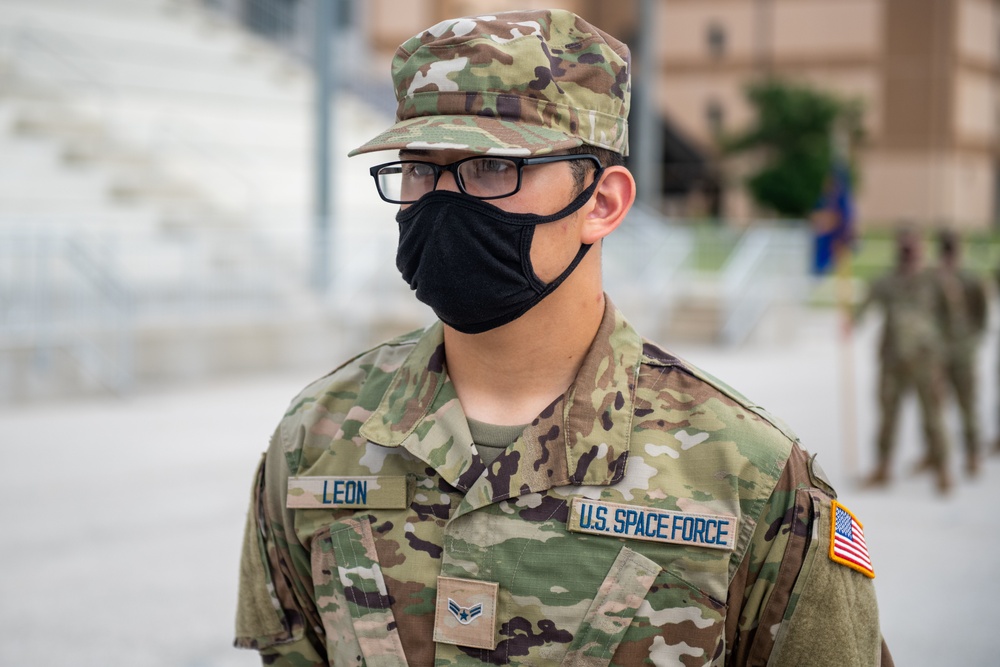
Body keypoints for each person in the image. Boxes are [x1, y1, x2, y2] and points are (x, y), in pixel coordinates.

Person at [235, 10, 892, 666]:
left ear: (602, 203)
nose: (439, 200)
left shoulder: (749, 477)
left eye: (492, 168)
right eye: (417, 169)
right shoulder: (314, 442)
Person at [852, 227, 951, 493]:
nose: (908, 253)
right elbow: (865, 305)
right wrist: (851, 319)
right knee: (887, 417)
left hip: (926, 359)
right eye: (903, 248)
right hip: (892, 359)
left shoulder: (935, 281)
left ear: (922, 248)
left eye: (912, 247)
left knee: (933, 416)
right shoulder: (887, 281)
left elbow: (952, 317)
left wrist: (947, 353)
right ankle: (883, 468)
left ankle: (942, 470)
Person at [932, 229, 988, 476]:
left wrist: (971, 340)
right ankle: (935, 455)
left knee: (967, 406)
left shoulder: (971, 278)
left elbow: (982, 314)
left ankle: (973, 453)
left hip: (963, 352)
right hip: (939, 352)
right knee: (934, 407)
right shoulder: (934, 278)